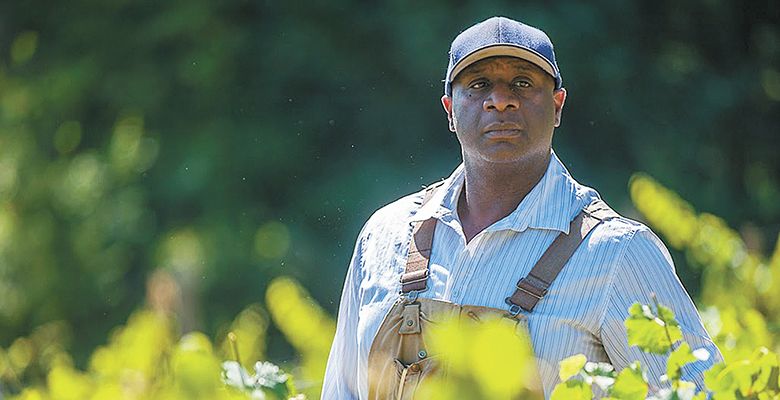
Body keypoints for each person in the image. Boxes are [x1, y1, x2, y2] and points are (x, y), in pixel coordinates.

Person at [321, 16, 722, 399]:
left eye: (522, 83)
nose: (500, 100)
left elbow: (702, 393)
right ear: (449, 110)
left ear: (558, 104)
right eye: (478, 84)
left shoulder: (618, 253)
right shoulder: (386, 234)